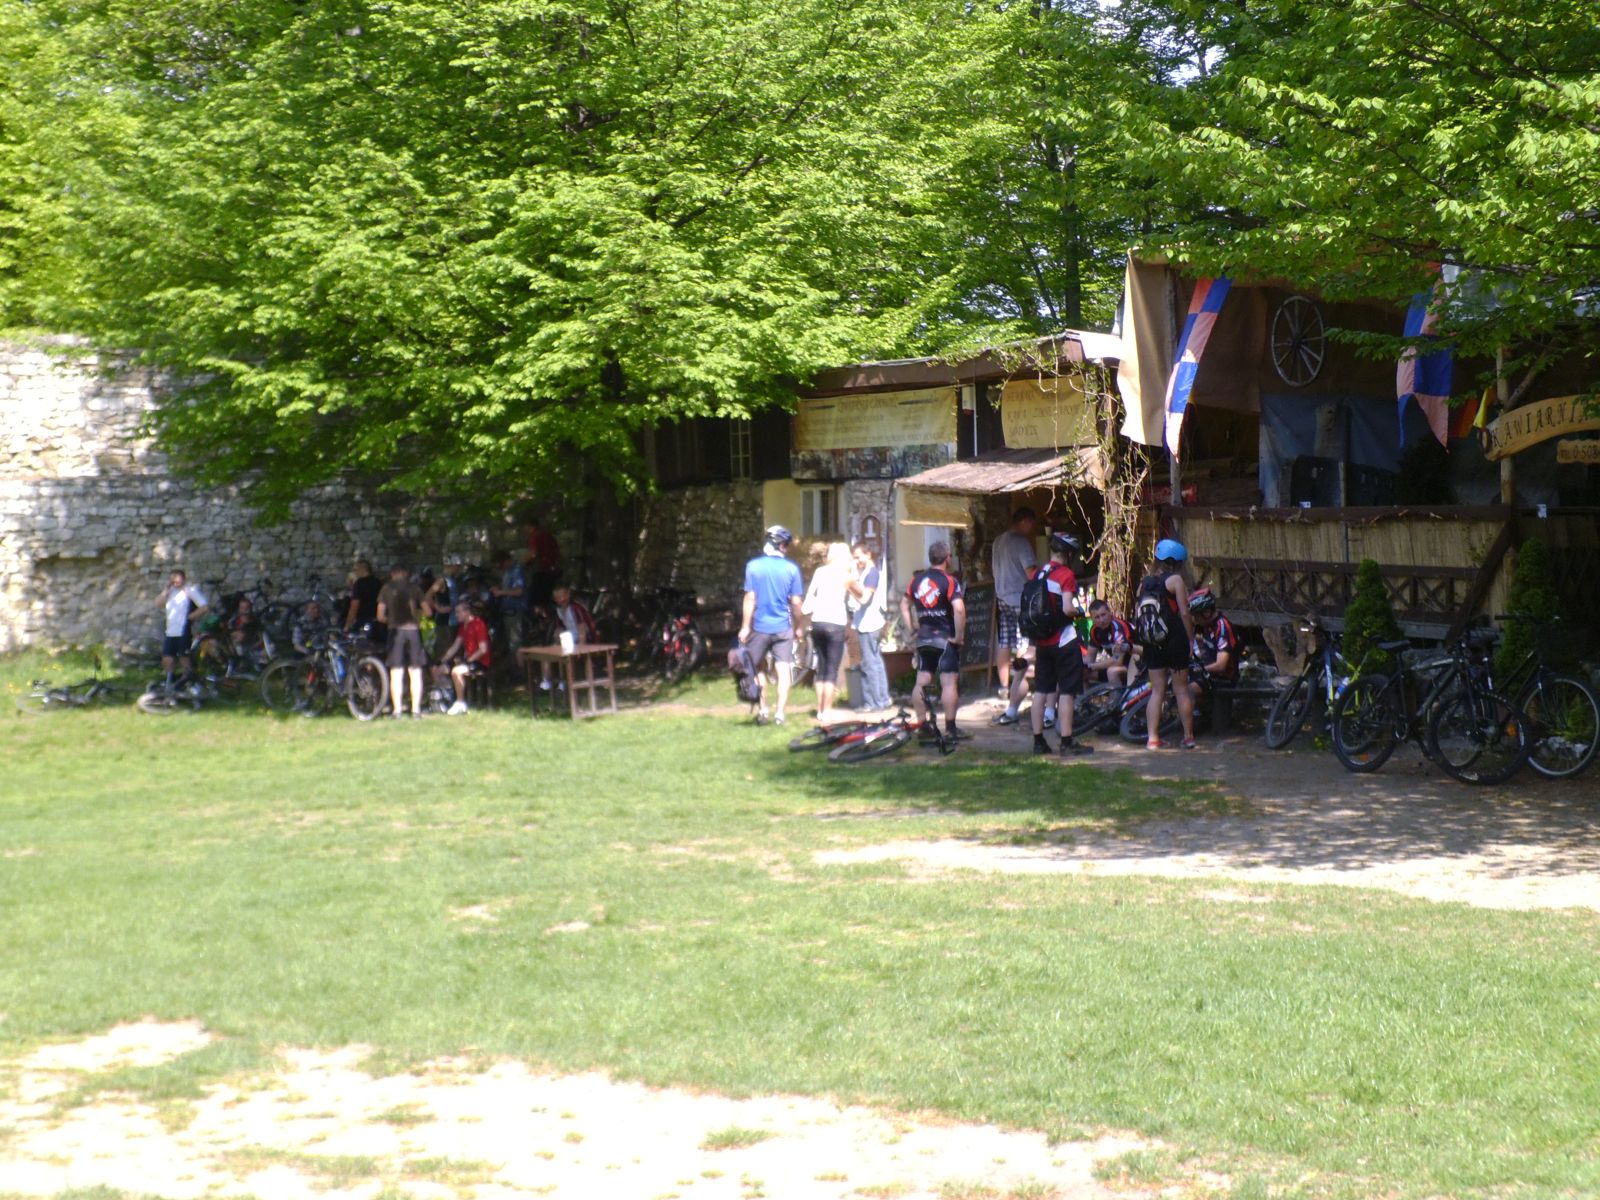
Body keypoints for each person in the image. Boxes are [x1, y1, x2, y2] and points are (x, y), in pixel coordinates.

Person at [1027, 532, 1093, 756]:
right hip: (1063, 640)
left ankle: (1038, 741)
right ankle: (1066, 741)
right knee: (1066, 691)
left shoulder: (1038, 573)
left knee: (1041, 691)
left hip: (1042, 641)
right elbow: (1066, 608)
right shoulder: (1066, 574)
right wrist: (1079, 611)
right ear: (1068, 554)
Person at [738, 525, 804, 726]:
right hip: (783, 627)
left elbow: (750, 598)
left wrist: (745, 627)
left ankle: (763, 710)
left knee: (758, 668)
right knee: (783, 670)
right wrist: (799, 625)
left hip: (759, 627)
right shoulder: (791, 569)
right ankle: (780, 714)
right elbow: (796, 602)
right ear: (781, 545)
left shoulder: (753, 567)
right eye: (787, 545)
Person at [900, 540, 966, 742]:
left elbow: (904, 604)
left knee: (921, 681)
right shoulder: (950, 581)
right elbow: (959, 609)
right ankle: (951, 729)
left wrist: (912, 628)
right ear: (947, 558)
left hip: (924, 638)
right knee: (949, 683)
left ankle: (922, 725)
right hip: (945, 638)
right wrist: (959, 636)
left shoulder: (917, 580)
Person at [1137, 539, 1197, 750]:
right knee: (1181, 689)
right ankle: (1188, 737)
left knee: (1157, 691)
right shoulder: (1176, 580)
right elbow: (1184, 613)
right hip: (1174, 640)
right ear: (1178, 561)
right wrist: (1190, 639)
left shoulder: (1144, 583)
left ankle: (1153, 738)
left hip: (1152, 641)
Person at [989, 507, 1039, 698]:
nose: (1032, 528)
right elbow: (1031, 572)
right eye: (1031, 523)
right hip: (1020, 597)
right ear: (1025, 521)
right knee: (1023, 641)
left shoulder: (998, 541)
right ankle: (1020, 685)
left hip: (1001, 596)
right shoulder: (1021, 542)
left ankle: (1004, 687)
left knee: (1005, 641)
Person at [802, 541, 854, 720]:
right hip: (836, 623)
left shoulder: (820, 572)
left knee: (821, 667)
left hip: (818, 622)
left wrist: (806, 614)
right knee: (832, 669)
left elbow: (811, 594)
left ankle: (819, 709)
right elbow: (855, 598)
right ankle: (827, 710)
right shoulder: (845, 574)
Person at [377, 564, 427, 718]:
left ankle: (397, 710)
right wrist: (415, 614)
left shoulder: (386, 589)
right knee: (415, 671)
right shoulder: (415, 588)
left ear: (393, 573)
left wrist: (391, 619)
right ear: (405, 573)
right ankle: (416, 710)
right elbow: (428, 611)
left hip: (395, 631)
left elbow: (380, 616)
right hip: (413, 632)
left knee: (396, 671)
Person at [847, 541, 891, 712]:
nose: (856, 561)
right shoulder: (867, 572)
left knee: (869, 664)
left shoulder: (871, 574)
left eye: (859, 557)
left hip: (869, 624)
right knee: (876, 662)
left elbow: (865, 599)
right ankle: (883, 699)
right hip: (870, 623)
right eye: (854, 558)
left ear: (868, 554)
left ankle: (873, 702)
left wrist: (849, 586)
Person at [538, 582, 599, 691]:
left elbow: (583, 629)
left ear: (568, 594)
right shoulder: (559, 610)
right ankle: (546, 682)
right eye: (558, 597)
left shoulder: (576, 608)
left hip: (585, 641)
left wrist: (581, 649)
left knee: (566, 656)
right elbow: (560, 628)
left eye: (563, 596)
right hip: (569, 639)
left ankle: (566, 682)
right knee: (546, 654)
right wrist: (557, 635)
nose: (561, 599)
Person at [436, 600, 492, 714]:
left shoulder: (478, 624)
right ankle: (446, 698)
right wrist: (442, 660)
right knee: (437, 670)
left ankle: (460, 703)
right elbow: (455, 646)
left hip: (480, 661)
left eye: (458, 612)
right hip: (467, 660)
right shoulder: (463, 627)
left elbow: (483, 649)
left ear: (467, 612)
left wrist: (468, 661)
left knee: (456, 671)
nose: (456, 615)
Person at [1186, 588, 1240, 708]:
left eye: (1197, 616)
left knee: (1187, 691)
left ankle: (1190, 716)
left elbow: (1221, 666)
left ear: (1207, 612)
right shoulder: (1207, 627)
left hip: (1223, 679)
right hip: (1208, 675)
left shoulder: (1222, 627)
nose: (1195, 620)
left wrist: (1198, 669)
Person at [158, 570, 208, 678]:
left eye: (177, 578)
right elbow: (158, 603)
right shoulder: (170, 592)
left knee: (183, 657)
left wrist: (190, 617)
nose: (175, 581)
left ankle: (190, 678)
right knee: (167, 658)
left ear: (183, 579)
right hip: (171, 631)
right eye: (172, 579)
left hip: (184, 630)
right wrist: (165, 591)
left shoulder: (190, 590)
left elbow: (204, 607)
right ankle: (170, 680)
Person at [1085, 598, 1136, 687]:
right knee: (1082, 673)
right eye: (1097, 617)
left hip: (1134, 665)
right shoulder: (1095, 631)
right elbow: (1089, 658)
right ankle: (1083, 696)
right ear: (1092, 619)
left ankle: (1118, 696)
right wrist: (1080, 665)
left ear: (1110, 612)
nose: (1101, 620)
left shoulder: (1118, 627)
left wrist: (1093, 666)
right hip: (1120, 666)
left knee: (1112, 672)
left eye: (1103, 615)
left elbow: (1118, 661)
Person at [491, 550, 528, 646]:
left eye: (501, 564)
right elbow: (508, 587)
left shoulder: (517, 571)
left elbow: (519, 591)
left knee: (516, 641)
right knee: (511, 641)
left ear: (506, 561)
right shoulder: (508, 572)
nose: (500, 567)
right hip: (507, 611)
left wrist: (500, 592)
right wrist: (498, 589)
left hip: (516, 610)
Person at [525, 515, 562, 607]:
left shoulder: (535, 536)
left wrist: (524, 562)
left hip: (541, 570)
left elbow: (534, 554)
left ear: (530, 526)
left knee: (537, 600)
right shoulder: (548, 535)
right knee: (547, 597)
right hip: (552, 569)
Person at [344, 559, 383, 638]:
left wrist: (347, 625)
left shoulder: (359, 584)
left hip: (363, 620)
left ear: (362, 569)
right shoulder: (378, 582)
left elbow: (354, 605)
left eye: (356, 569)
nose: (355, 572)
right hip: (378, 620)